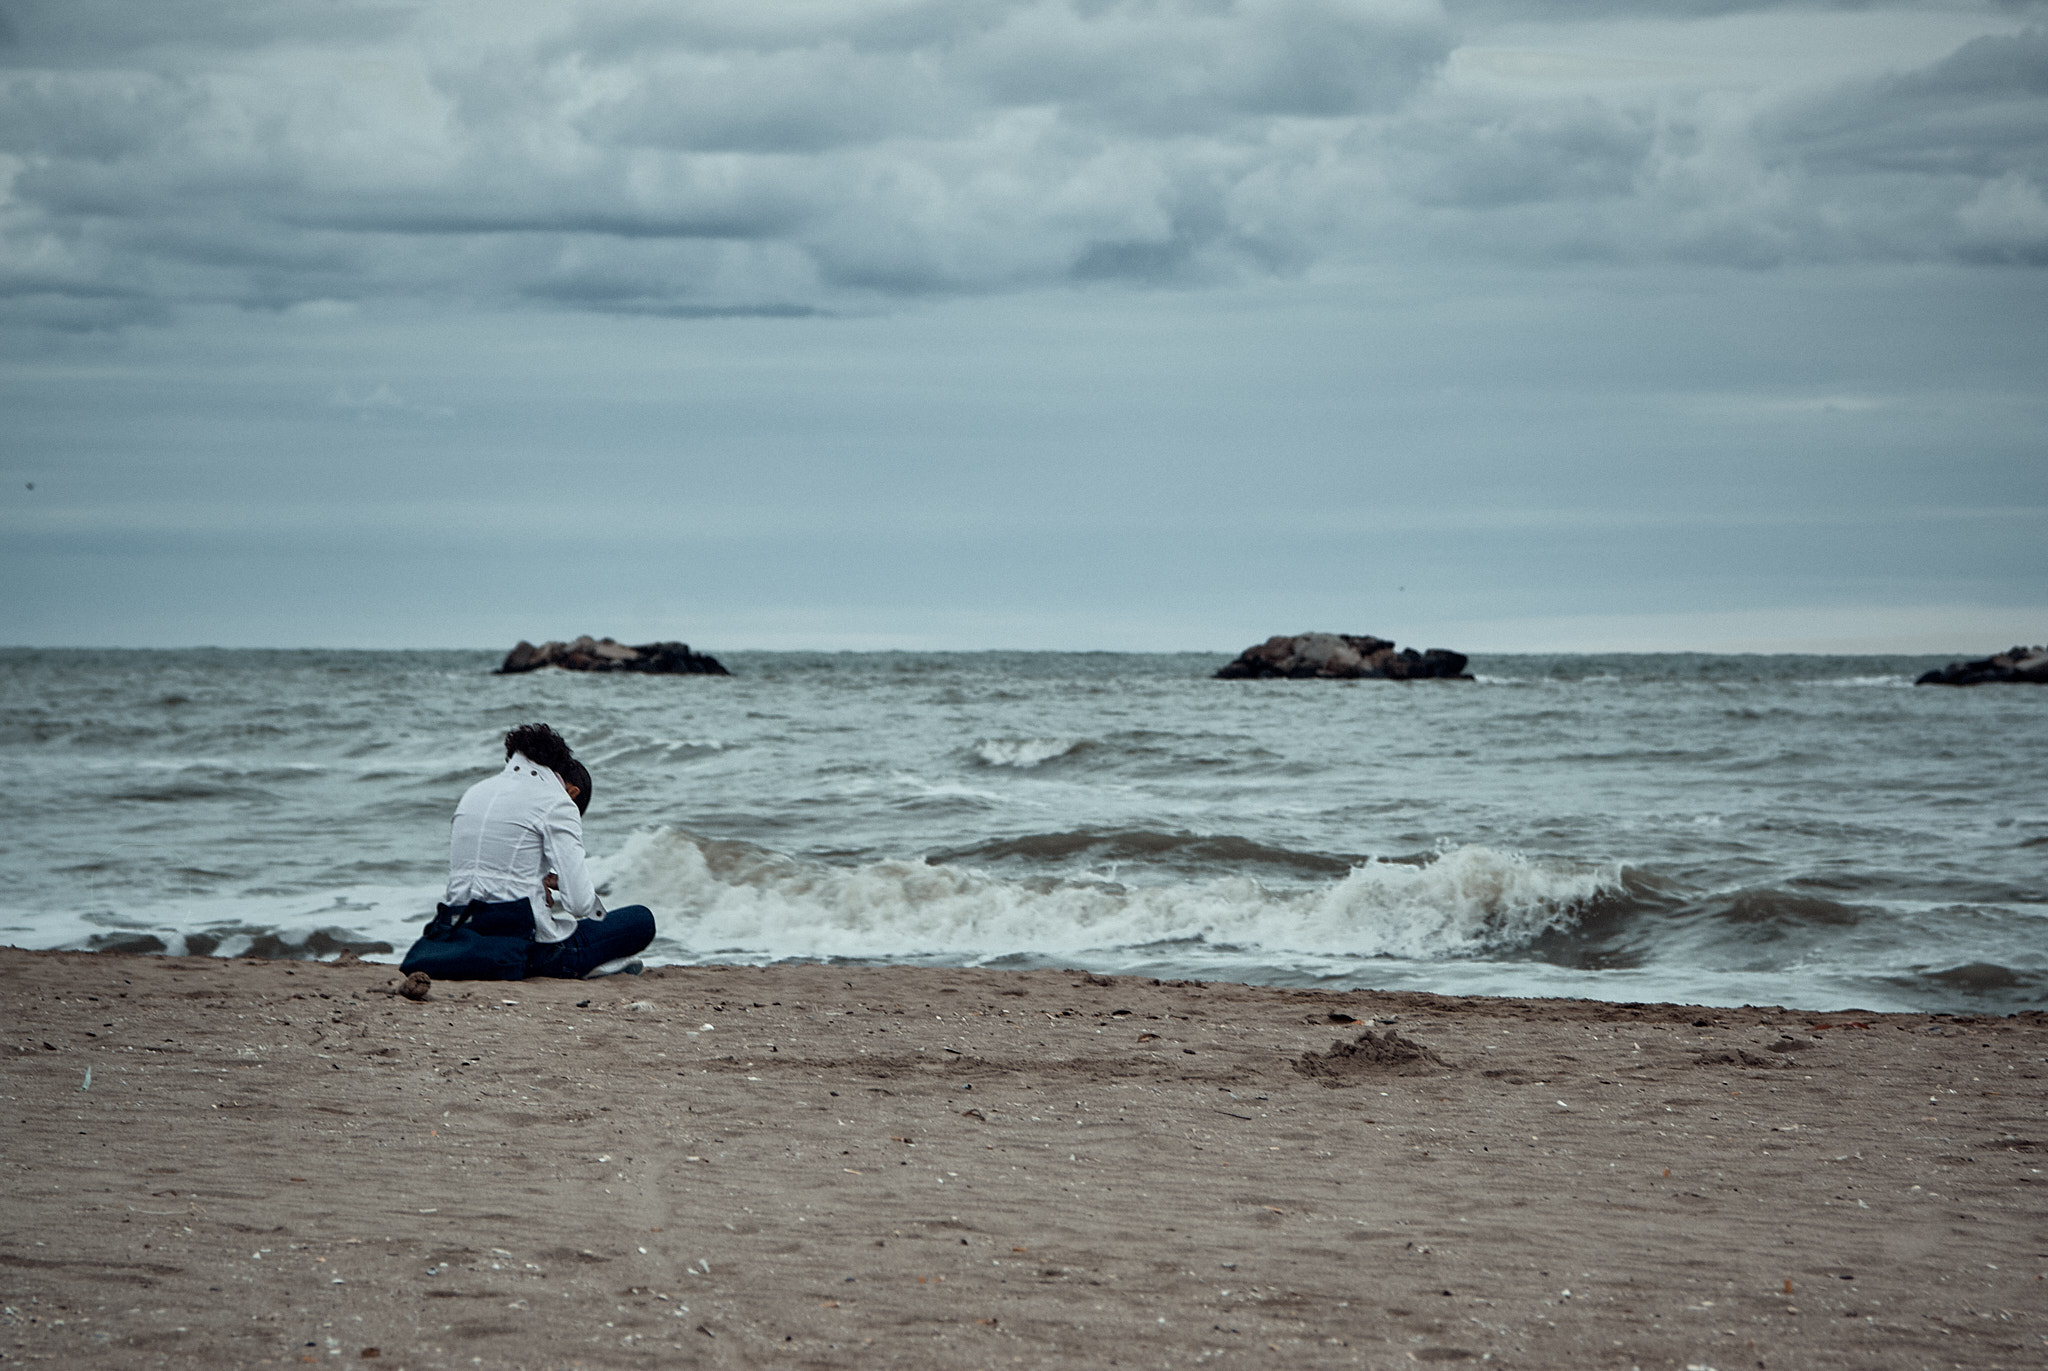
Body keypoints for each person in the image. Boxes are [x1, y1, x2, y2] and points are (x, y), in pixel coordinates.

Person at [433, 722, 655, 979]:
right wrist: (565, 885)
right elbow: (580, 905)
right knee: (641, 920)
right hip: (523, 950)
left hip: (456, 937)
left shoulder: (474, 793)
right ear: (572, 792)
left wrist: (534, 888)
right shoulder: (557, 802)